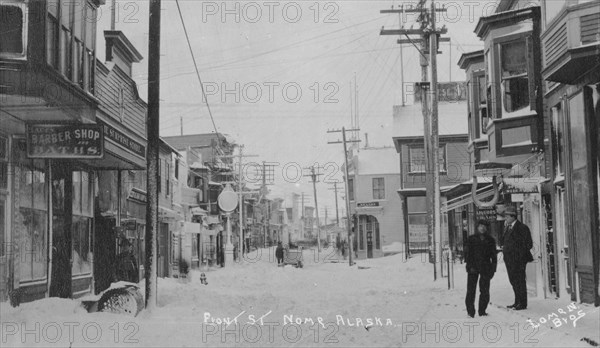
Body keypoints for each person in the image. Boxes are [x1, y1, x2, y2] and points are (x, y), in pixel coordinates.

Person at [501, 206, 533, 310]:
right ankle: (517, 301)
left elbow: (529, 244)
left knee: (520, 280)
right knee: (513, 280)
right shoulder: (507, 227)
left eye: (507, 216)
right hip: (509, 260)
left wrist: (518, 254)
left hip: (518, 260)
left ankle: (522, 303)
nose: (505, 218)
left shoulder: (522, 228)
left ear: (513, 216)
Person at [464, 220, 497, 318]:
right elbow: (467, 255)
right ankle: (470, 312)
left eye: (484, 226)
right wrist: (469, 267)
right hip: (473, 268)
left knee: (485, 290)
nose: (482, 228)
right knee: (471, 290)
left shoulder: (491, 240)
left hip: (486, 268)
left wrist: (493, 269)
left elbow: (494, 257)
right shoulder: (471, 239)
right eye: (480, 226)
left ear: (487, 228)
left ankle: (482, 310)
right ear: (477, 227)